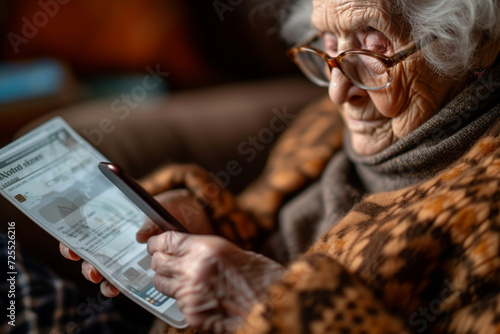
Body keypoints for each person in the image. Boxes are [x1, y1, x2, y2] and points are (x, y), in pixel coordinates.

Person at [59, 0, 500, 333]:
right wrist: (203, 220)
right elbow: (259, 223)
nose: (337, 92)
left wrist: (264, 301)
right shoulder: (326, 126)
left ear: (477, 44)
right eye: (328, 46)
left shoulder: (486, 216)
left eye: (373, 49)